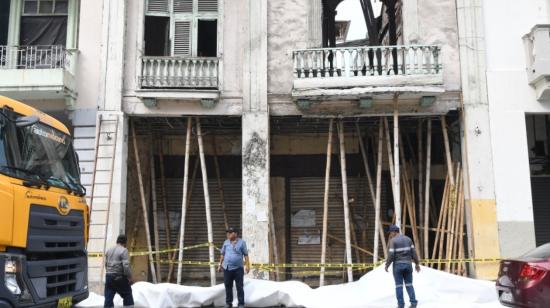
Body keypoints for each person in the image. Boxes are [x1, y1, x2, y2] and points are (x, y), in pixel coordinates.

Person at [385, 225, 420, 308]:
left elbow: (391, 254)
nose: (390, 235)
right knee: (409, 284)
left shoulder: (393, 241)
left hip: (397, 266)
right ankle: (413, 303)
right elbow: (414, 253)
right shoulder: (408, 239)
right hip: (408, 265)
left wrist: (387, 265)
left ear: (394, 232)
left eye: (390, 233)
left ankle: (401, 305)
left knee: (398, 286)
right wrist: (417, 264)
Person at [217, 227, 250, 308]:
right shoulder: (225, 242)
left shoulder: (242, 243)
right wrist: (219, 265)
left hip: (238, 269)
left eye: (230, 232)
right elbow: (222, 254)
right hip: (227, 268)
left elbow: (246, 255)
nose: (228, 234)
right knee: (228, 286)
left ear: (235, 233)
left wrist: (247, 265)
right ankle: (229, 303)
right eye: (228, 232)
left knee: (239, 286)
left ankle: (241, 304)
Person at [104, 234, 134, 307]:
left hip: (108, 276)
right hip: (118, 276)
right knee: (127, 293)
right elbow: (126, 266)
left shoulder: (109, 250)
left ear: (117, 241)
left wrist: (109, 273)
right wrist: (129, 277)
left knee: (109, 296)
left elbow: (106, 264)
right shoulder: (124, 250)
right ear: (125, 243)